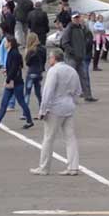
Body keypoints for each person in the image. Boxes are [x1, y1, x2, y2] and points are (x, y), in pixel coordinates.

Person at [30, 48, 82, 176]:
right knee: (70, 137)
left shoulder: (54, 71)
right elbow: (78, 90)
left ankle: (44, 167)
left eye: (50, 58)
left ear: (54, 58)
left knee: (48, 138)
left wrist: (43, 110)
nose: (49, 60)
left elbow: (48, 92)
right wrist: (73, 101)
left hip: (55, 108)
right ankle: (73, 167)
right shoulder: (72, 70)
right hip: (69, 106)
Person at [0, 36, 34, 129]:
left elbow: (14, 68)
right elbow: (14, 67)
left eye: (6, 42)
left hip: (16, 82)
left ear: (10, 43)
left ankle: (29, 120)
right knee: (5, 102)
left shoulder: (14, 54)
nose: (4, 44)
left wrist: (8, 78)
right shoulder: (12, 53)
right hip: (13, 81)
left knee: (21, 102)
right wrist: (7, 72)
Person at [60, 11, 97, 102]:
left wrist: (83, 51)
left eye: (78, 17)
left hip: (80, 57)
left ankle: (88, 96)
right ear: (72, 19)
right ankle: (68, 97)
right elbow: (64, 43)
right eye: (75, 18)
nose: (77, 19)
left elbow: (87, 37)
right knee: (70, 78)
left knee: (84, 77)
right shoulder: (69, 29)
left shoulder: (81, 28)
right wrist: (73, 52)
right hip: (71, 58)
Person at [23, 33, 46, 109]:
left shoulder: (31, 50)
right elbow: (44, 60)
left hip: (31, 72)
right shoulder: (43, 49)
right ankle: (41, 109)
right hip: (39, 72)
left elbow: (27, 62)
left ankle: (25, 112)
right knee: (38, 93)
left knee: (27, 93)